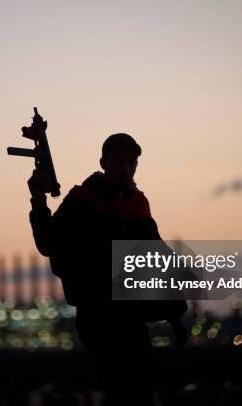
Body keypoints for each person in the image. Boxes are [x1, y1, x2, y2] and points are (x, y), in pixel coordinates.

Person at [27, 133, 187, 406]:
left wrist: (174, 314)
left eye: (132, 162)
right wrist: (38, 199)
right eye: (120, 161)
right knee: (123, 390)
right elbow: (48, 242)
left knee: (141, 390)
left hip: (128, 314)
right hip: (97, 315)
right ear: (104, 162)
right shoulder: (82, 200)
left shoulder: (137, 206)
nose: (127, 168)